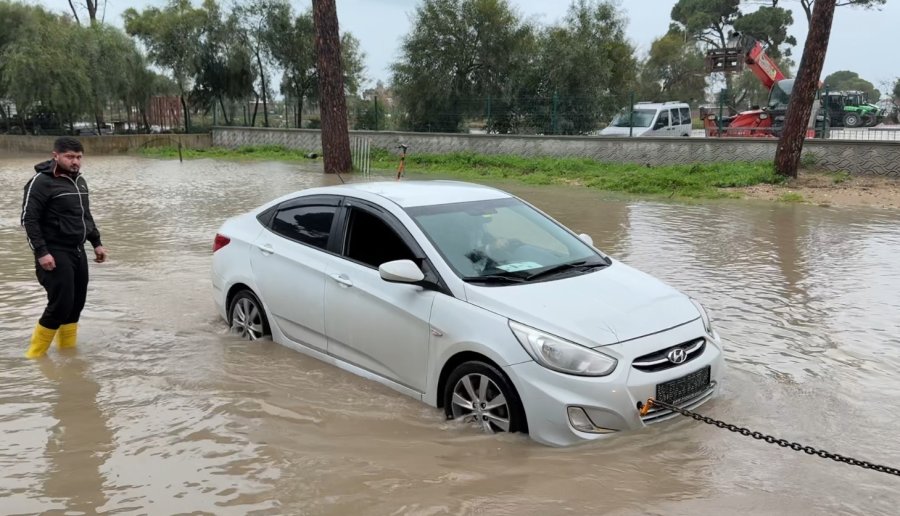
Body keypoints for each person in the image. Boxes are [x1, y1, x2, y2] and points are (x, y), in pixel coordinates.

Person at [20, 136, 108, 359]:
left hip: (77, 250)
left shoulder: (79, 181)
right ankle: (34, 356)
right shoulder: (40, 182)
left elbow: (84, 215)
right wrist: (41, 252)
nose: (75, 161)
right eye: (69, 157)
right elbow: (29, 219)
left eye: (79, 157)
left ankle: (68, 354)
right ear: (55, 156)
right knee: (61, 303)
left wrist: (96, 243)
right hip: (54, 251)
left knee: (76, 303)